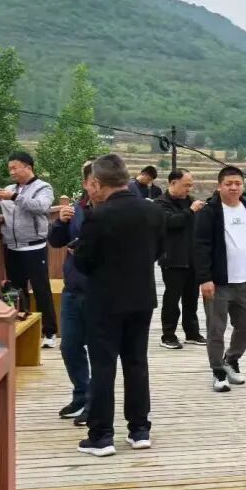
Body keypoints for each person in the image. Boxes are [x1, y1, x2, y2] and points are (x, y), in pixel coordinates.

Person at [72, 154, 165, 456]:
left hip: (105, 301)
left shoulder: (98, 216)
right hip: (141, 297)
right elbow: (158, 251)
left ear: (98, 182)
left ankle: (101, 435)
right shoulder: (153, 211)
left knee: (104, 366)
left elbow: (83, 263)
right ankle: (140, 430)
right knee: (136, 363)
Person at [194, 166, 246, 394]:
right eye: (228, 184)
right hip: (218, 282)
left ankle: (231, 359)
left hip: (245, 280)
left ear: (243, 186)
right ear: (219, 186)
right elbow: (200, 247)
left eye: (238, 183)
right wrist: (205, 278)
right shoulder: (209, 212)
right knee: (216, 329)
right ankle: (218, 371)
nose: (234, 187)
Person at [47, 163, 94, 425]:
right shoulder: (77, 208)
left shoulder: (110, 210)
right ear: (85, 182)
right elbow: (56, 242)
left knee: (98, 349)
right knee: (69, 346)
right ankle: (81, 394)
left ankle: (94, 403)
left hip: (99, 290)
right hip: (73, 288)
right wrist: (60, 223)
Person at [0, 151, 58, 347]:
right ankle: (21, 332)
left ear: (28, 167)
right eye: (10, 169)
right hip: (11, 248)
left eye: (15, 168)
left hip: (35, 247)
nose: (11, 172)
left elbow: (40, 207)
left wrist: (15, 197)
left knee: (41, 290)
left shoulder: (43, 187)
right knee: (16, 292)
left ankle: (49, 333)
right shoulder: (9, 189)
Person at [156, 169, 208, 349]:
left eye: (190, 185)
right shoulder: (160, 203)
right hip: (172, 258)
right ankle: (168, 335)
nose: (189, 189)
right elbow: (170, 222)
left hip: (192, 258)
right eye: (186, 185)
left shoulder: (191, 201)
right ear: (173, 183)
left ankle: (192, 333)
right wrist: (191, 211)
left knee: (191, 299)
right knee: (172, 299)